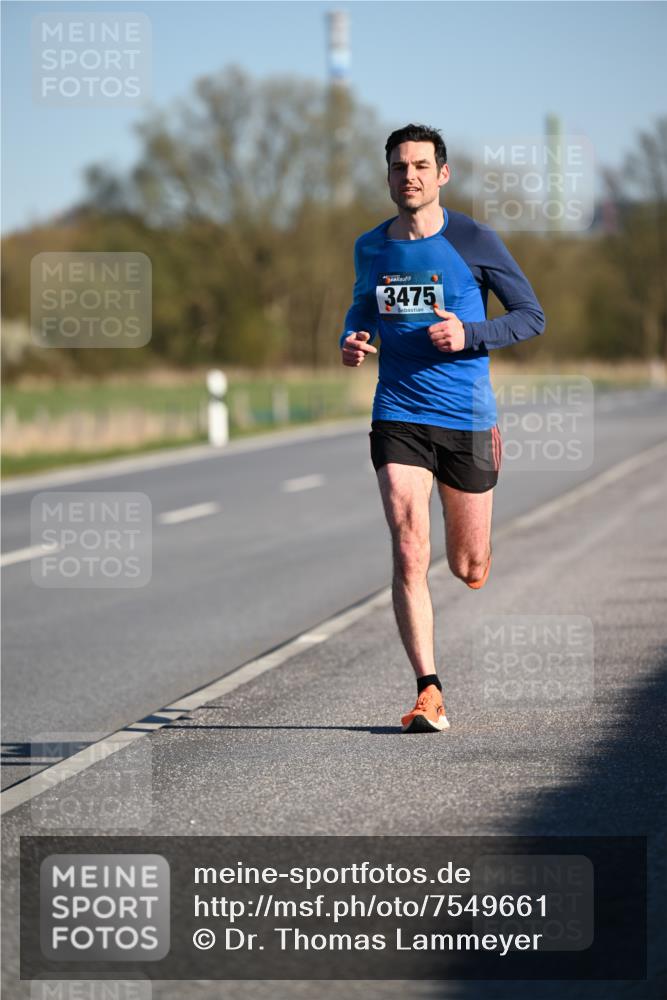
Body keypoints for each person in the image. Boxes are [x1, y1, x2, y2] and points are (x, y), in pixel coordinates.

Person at [340, 123, 545, 733]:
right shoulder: (371, 247)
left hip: (467, 418)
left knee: (467, 565)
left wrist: (469, 333)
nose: (411, 176)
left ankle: (479, 542)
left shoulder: (475, 239)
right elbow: (362, 303)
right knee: (408, 545)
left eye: (422, 166)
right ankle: (429, 690)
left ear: (442, 174)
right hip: (398, 410)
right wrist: (354, 336)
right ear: (389, 176)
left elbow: (531, 317)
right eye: (400, 167)